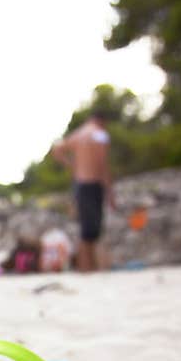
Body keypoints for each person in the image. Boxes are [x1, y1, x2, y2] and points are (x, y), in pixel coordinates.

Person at [50, 111, 117, 272]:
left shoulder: (79, 134)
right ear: (102, 121)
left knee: (85, 228)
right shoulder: (100, 135)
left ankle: (86, 268)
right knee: (94, 228)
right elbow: (103, 164)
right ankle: (90, 267)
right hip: (93, 183)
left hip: (80, 184)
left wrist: (73, 166)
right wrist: (110, 191)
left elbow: (57, 150)